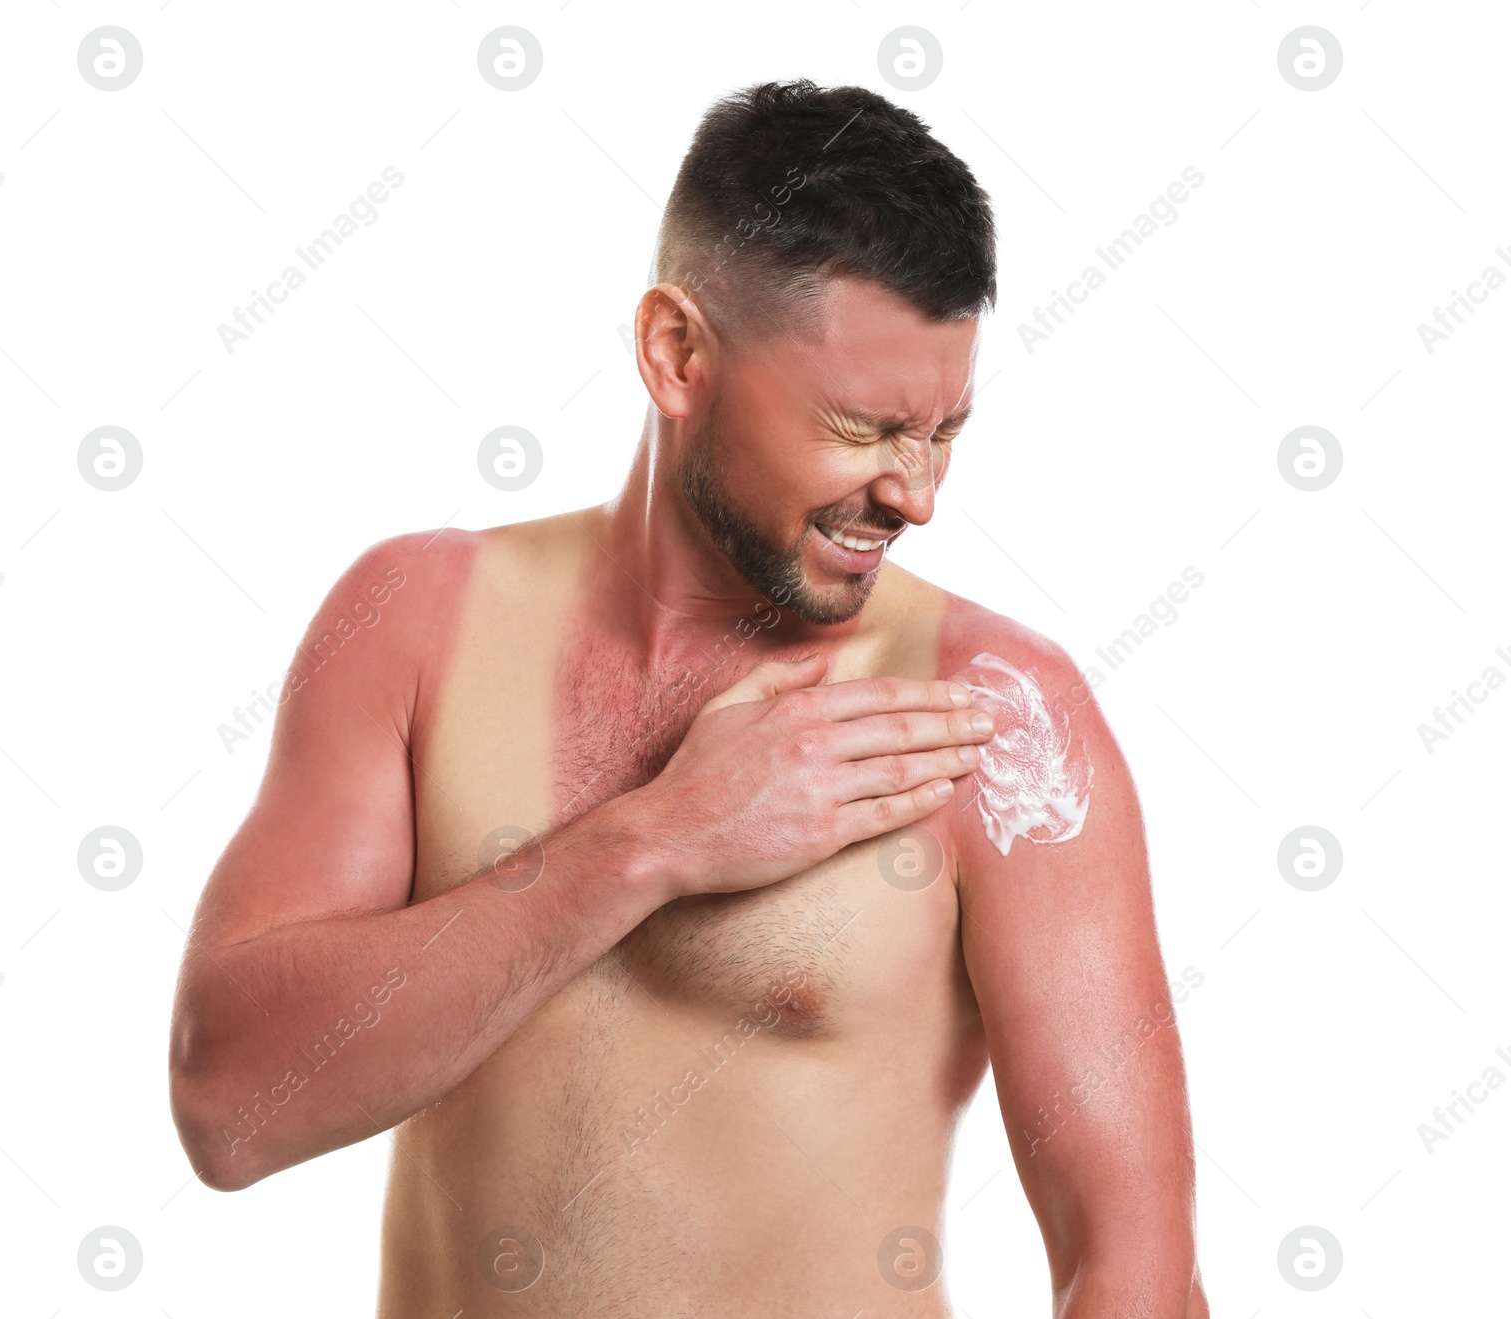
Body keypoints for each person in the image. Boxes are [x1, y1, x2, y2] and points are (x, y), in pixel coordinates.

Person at [169, 79, 1208, 1317]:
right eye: (864, 427)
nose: (916, 493)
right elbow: (232, 1107)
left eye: (942, 433)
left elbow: (1133, 1265)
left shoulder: (990, 713)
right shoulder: (414, 622)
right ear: (676, 354)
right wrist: (656, 840)